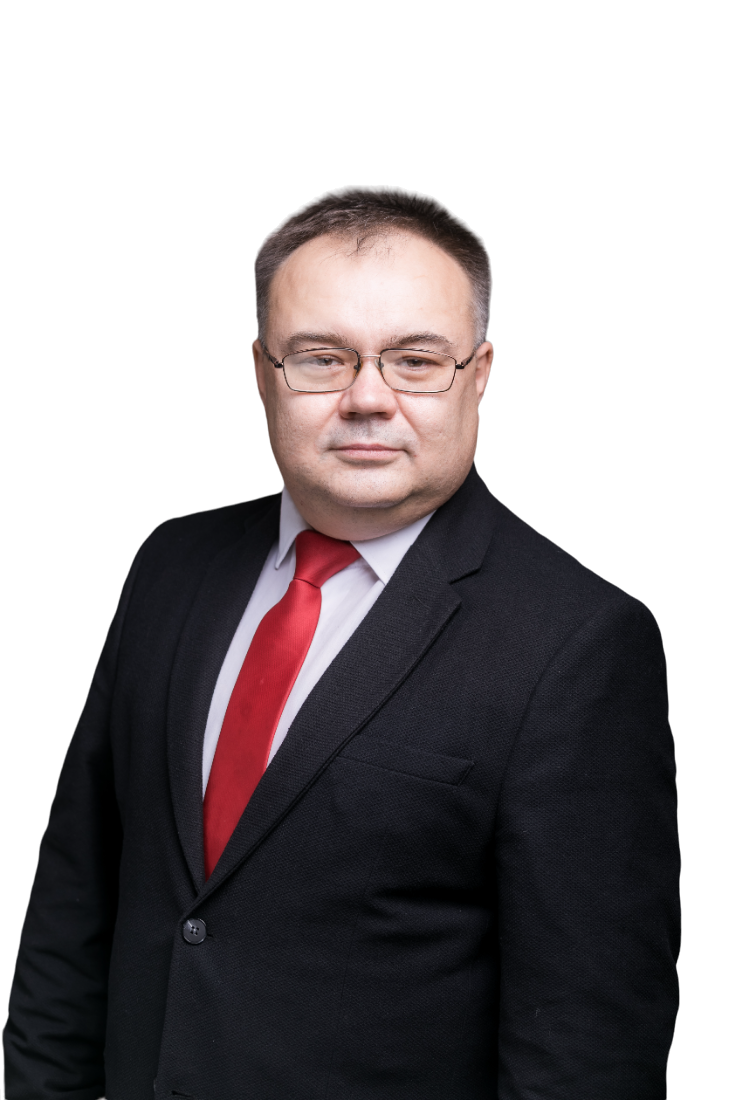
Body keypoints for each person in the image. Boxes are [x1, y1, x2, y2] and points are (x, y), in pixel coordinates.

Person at [3, 185, 680, 1099]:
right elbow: (73, 899)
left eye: (415, 360)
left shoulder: (580, 641)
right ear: (261, 372)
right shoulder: (170, 563)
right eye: (321, 358)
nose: (367, 398)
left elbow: (587, 1040)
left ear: (478, 375)